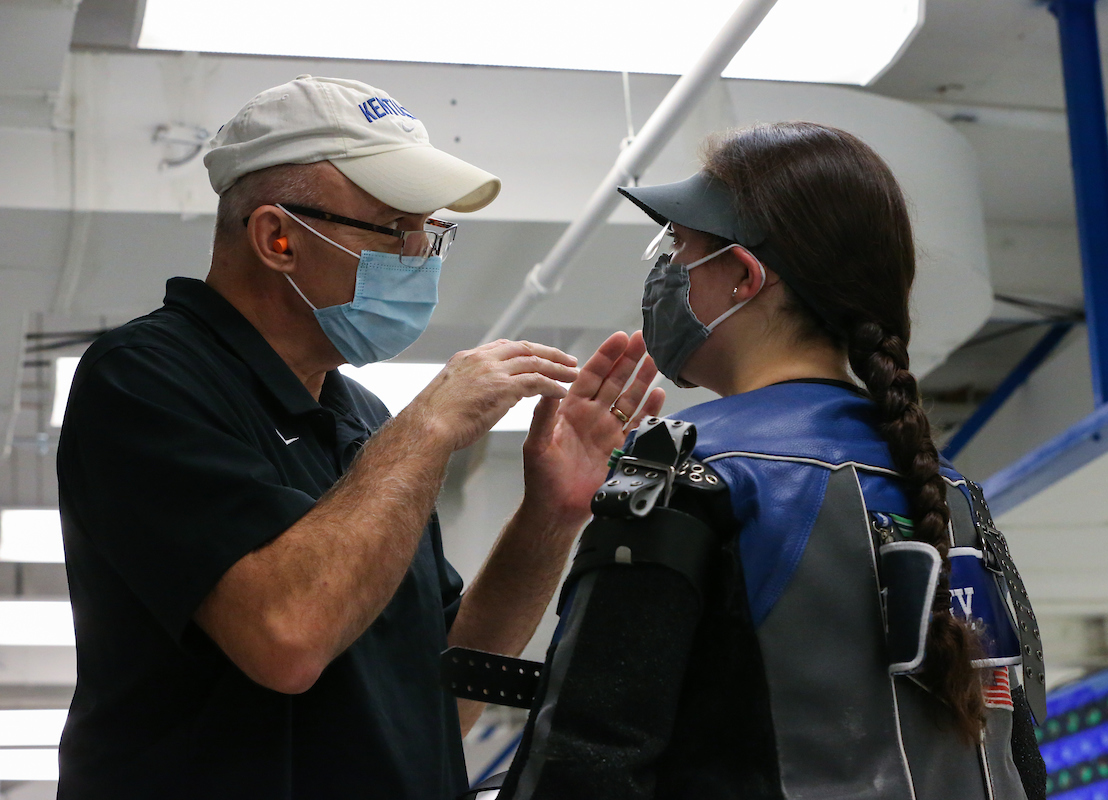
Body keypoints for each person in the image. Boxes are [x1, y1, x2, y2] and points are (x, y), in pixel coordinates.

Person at [55, 75, 665, 799]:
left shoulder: (363, 420)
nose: (421, 254)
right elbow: (286, 638)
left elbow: (448, 687)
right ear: (278, 237)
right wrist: (432, 425)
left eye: (430, 230)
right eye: (393, 229)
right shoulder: (147, 378)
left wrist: (553, 512)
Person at [492, 122, 1047, 799]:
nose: (666, 268)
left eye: (679, 246)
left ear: (742, 278)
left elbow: (584, 759)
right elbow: (1018, 756)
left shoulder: (686, 472)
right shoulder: (951, 492)